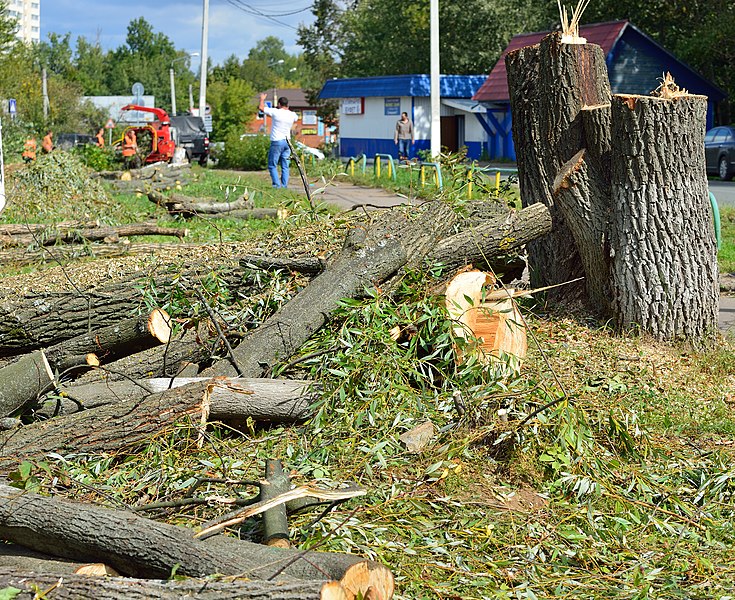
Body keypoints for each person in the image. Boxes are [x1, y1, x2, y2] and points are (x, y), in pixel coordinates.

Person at [259, 93, 298, 188]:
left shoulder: (276, 112)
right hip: (287, 142)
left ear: (279, 104)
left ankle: (277, 185)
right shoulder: (292, 115)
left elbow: (261, 108)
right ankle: (284, 185)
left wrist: (262, 99)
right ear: (287, 105)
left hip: (277, 141)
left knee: (272, 165)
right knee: (285, 166)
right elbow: (295, 119)